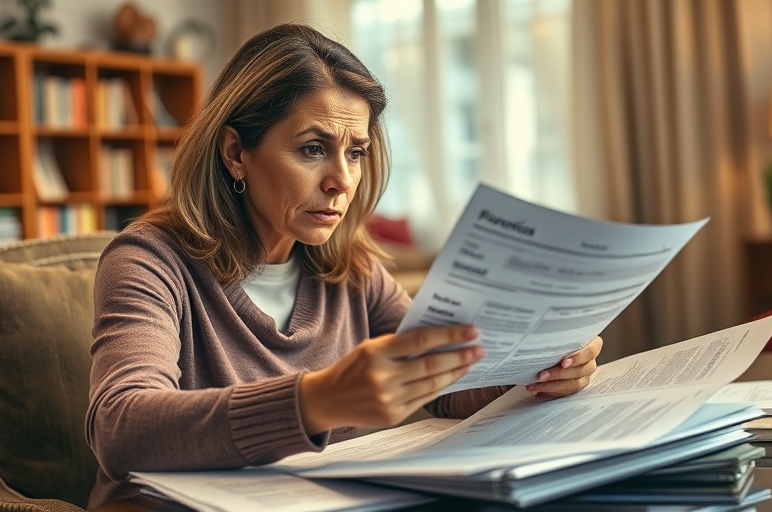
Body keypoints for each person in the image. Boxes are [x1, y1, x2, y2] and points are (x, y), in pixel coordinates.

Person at [85, 22, 603, 507]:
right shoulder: (150, 260)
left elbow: (445, 388)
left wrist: (538, 368)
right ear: (235, 153)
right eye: (313, 149)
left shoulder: (353, 271)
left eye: (355, 152)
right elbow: (120, 428)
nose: (342, 181)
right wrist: (316, 400)